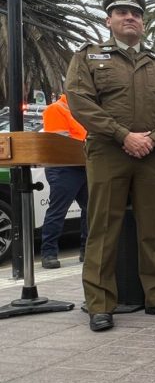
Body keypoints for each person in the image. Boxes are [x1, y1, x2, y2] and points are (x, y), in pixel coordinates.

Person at [65, 0, 155, 332]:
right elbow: (80, 103)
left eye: (136, 14)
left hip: (152, 155)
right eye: (122, 12)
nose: (130, 18)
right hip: (108, 153)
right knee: (104, 229)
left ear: (144, 23)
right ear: (108, 20)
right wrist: (123, 136)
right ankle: (101, 304)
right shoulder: (88, 56)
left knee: (153, 229)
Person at [40, 94, 88, 270]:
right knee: (58, 211)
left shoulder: (82, 109)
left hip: (82, 165)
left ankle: (87, 250)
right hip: (63, 166)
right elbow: (61, 141)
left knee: (90, 210)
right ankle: (49, 253)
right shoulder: (56, 109)